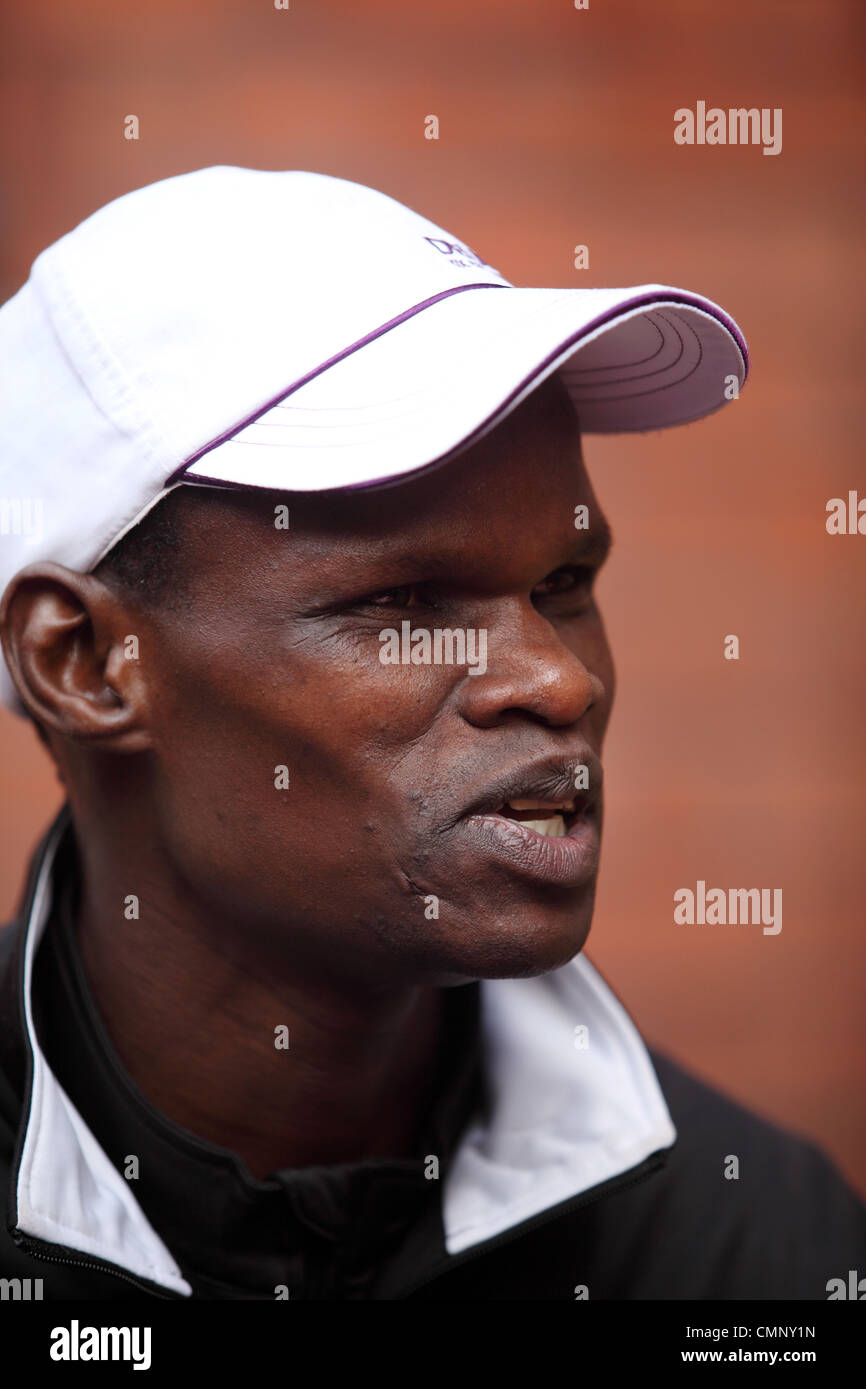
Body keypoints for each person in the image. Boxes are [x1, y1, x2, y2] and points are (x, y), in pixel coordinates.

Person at [0, 167, 862, 1301]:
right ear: (82, 664)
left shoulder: (752, 1254)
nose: (556, 681)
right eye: (399, 605)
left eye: (562, 580)